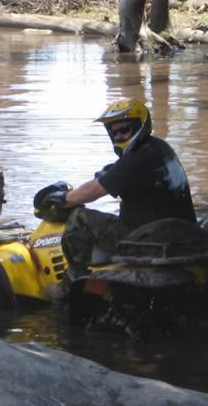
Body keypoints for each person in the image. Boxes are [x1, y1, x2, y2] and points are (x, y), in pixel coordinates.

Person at [46, 98, 196, 288]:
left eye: (124, 130)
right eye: (113, 132)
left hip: (145, 241)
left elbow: (93, 191)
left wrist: (63, 198)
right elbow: (118, 173)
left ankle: (72, 281)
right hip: (179, 234)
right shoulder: (159, 148)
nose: (118, 137)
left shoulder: (137, 159)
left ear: (140, 126)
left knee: (80, 217)